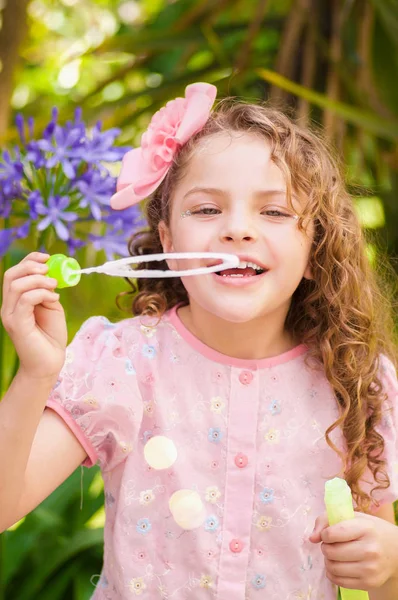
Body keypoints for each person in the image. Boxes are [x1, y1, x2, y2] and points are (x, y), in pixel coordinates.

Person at [0, 82, 397, 600]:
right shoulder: (120, 362)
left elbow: (377, 580)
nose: (237, 230)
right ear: (167, 241)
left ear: (315, 239)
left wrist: (389, 564)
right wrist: (35, 373)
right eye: (207, 210)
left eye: (273, 212)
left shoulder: (359, 378)